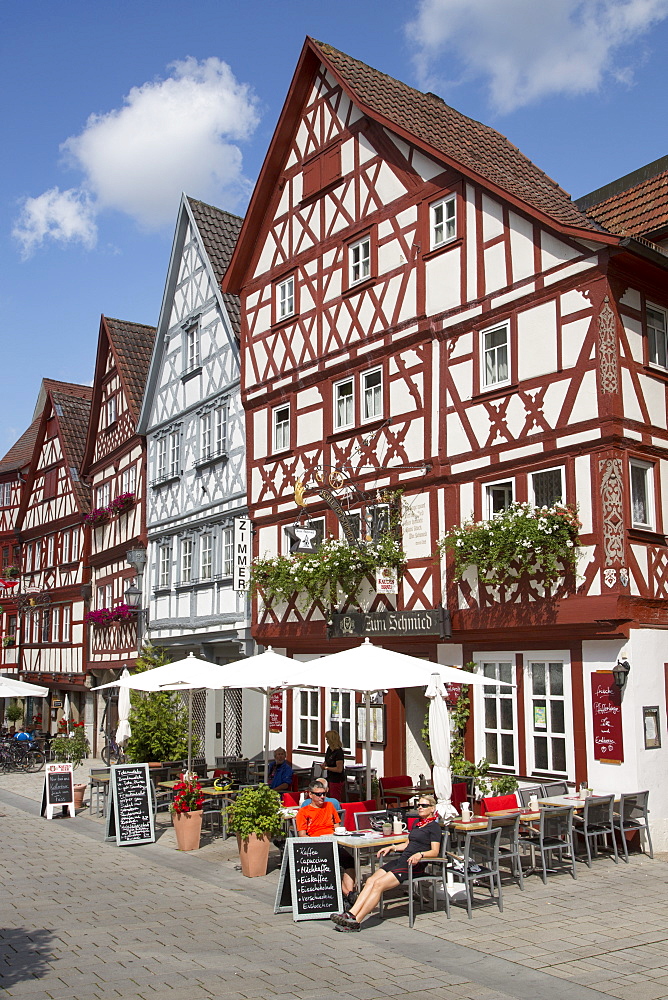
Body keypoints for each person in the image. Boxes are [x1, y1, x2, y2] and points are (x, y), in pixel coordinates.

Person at [331, 794, 442, 932]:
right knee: (371, 880)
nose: (419, 807)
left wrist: (420, 855)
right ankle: (351, 914)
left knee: (378, 885)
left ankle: (356, 921)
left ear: (432, 808)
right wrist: (393, 847)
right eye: (418, 805)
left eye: (424, 805)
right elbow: (408, 843)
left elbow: (435, 851)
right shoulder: (417, 824)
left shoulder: (434, 827)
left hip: (414, 865)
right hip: (402, 860)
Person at [296, 779, 356, 899]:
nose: (322, 797)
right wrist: (316, 842)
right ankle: (348, 894)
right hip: (317, 845)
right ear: (310, 795)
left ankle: (349, 893)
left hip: (333, 841)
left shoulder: (330, 806)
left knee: (350, 861)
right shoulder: (304, 811)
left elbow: (337, 826)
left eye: (324, 794)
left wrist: (340, 835)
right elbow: (302, 834)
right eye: (318, 794)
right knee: (329, 865)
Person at [324, 730, 345, 803]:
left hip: (336, 779)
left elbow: (339, 769)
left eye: (327, 739)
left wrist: (327, 768)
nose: (326, 741)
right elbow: (327, 760)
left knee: (335, 798)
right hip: (330, 777)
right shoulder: (329, 749)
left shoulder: (338, 752)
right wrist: (325, 764)